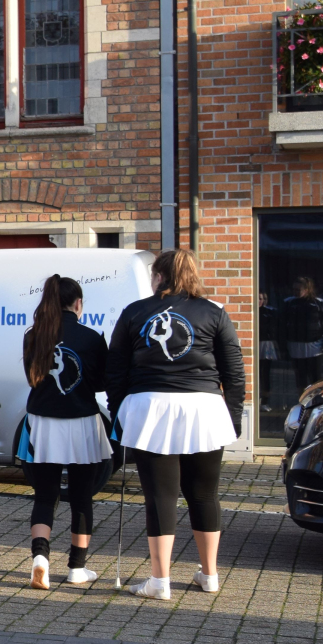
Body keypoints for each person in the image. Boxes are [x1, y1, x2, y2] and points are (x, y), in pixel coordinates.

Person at [107, 249, 244, 600]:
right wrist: (231, 418)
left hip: (150, 408)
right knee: (204, 494)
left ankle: (160, 581)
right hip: (204, 409)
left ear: (158, 276)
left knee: (160, 496)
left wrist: (119, 414)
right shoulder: (215, 311)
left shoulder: (134, 312)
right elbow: (234, 372)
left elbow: (115, 371)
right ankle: (210, 575)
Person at [18, 275, 111, 590]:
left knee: (45, 496)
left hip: (43, 422)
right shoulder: (92, 337)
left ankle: (40, 559)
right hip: (82, 422)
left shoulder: (33, 335)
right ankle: (77, 568)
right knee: (82, 497)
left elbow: (31, 378)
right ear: (78, 304)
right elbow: (101, 382)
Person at [279, 277, 323, 399]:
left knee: (315, 375)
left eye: (298, 289)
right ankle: (302, 400)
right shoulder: (289, 303)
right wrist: (282, 346)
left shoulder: (319, 303)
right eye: (294, 289)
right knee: (300, 375)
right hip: (296, 344)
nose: (295, 292)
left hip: (315, 344)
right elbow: (281, 325)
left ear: (307, 289)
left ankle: (317, 399)